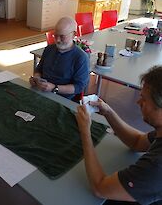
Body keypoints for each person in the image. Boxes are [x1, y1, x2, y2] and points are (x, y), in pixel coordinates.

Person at [76, 66, 162, 205]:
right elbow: (137, 142)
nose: (138, 102)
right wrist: (108, 112)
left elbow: (99, 188)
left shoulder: (156, 166)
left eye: (144, 100)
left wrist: (85, 132)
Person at [29, 17, 89, 100]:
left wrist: (54, 88)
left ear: (74, 34)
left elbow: (79, 87)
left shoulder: (80, 57)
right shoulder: (49, 49)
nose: (57, 40)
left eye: (62, 36)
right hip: (42, 92)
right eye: (55, 35)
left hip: (63, 99)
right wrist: (36, 78)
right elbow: (39, 69)